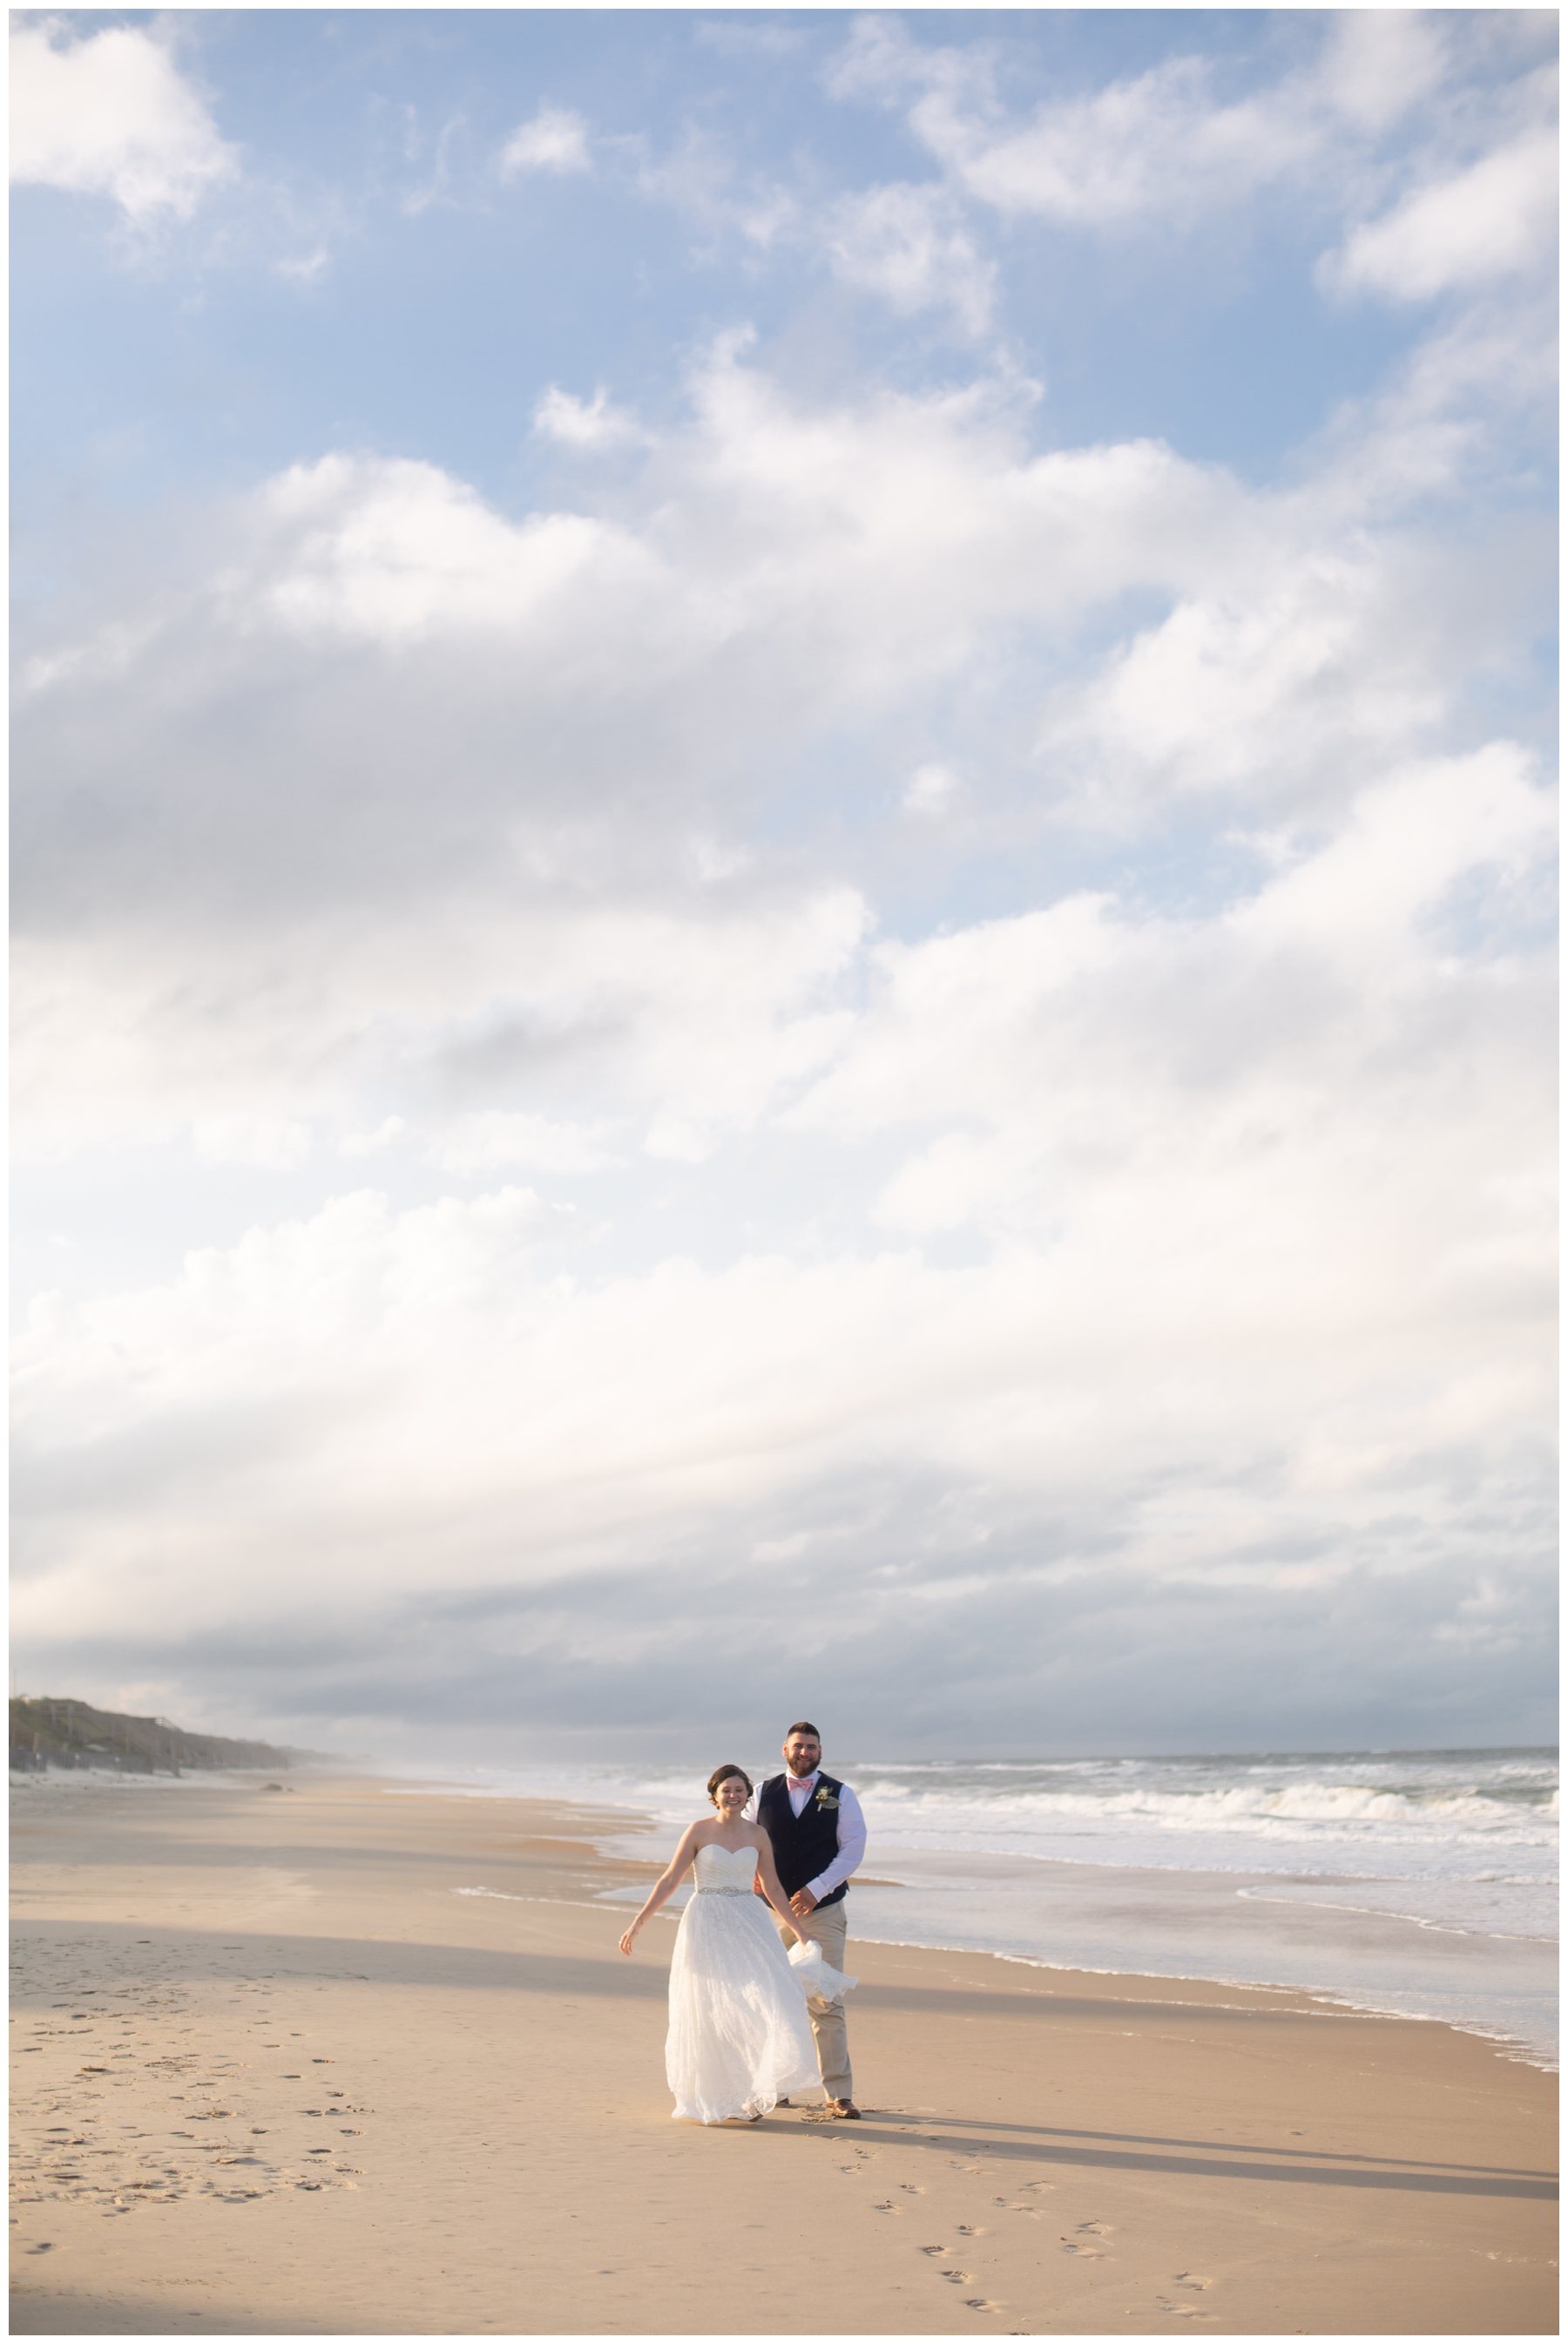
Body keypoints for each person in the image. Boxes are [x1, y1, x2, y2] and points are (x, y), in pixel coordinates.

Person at [618, 1762, 855, 2124]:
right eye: (726, 1790)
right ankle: (721, 2094)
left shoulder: (758, 1835)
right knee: (711, 2006)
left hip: (749, 1920)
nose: (733, 1795)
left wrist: (802, 1932)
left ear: (747, 1796)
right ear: (714, 1795)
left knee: (766, 1998)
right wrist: (639, 1922)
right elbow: (670, 1879)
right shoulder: (697, 1831)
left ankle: (754, 2091)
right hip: (706, 1922)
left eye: (739, 1790)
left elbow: (773, 1888)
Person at [749, 1720, 867, 2118]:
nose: (805, 1752)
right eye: (798, 1746)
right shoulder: (761, 1793)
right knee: (776, 2000)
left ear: (820, 1751)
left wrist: (818, 1887)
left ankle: (838, 2092)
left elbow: (852, 1849)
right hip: (768, 1912)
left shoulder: (841, 1794)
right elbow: (745, 1841)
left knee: (826, 2000)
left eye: (811, 1746)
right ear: (785, 1750)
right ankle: (777, 2086)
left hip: (824, 1912)